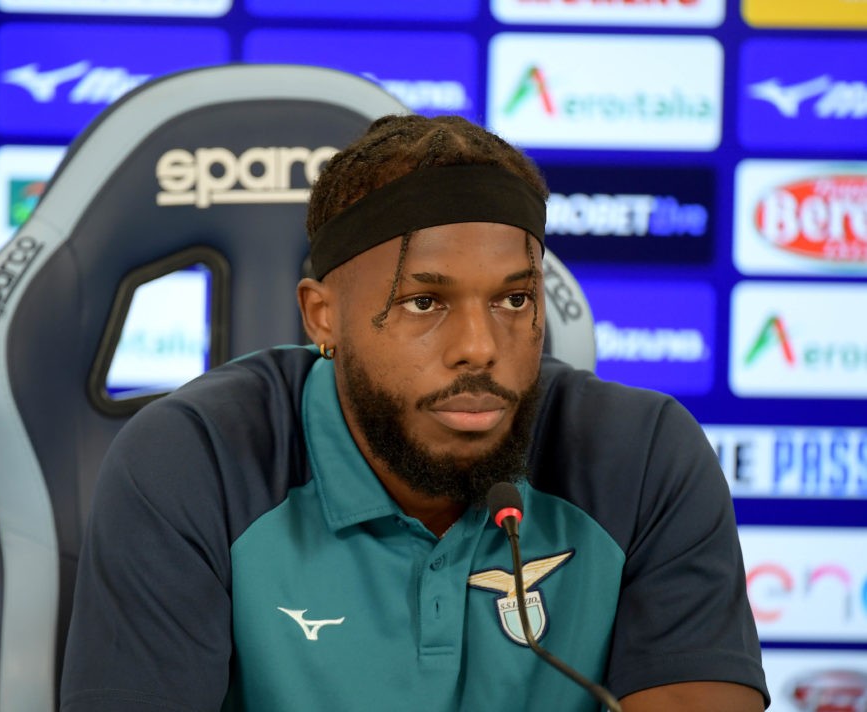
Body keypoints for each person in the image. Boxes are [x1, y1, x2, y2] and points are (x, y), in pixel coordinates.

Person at [60, 114, 769, 711]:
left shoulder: (643, 457)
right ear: (323, 316)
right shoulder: (194, 462)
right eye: (424, 302)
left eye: (513, 300)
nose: (478, 348)